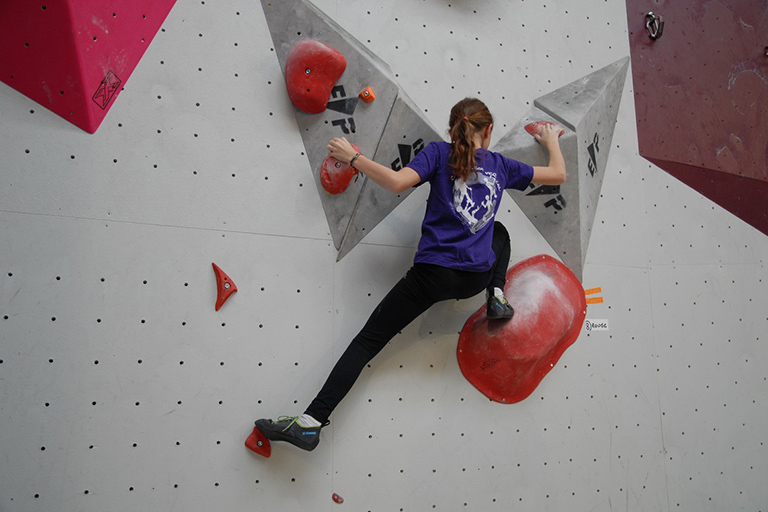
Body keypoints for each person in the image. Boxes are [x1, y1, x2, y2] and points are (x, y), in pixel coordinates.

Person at [252, 98, 566, 452]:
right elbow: (558, 175)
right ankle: (496, 294)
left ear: (452, 130)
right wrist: (550, 137)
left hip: (433, 276)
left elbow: (397, 182)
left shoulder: (437, 153)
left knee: (367, 342)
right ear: (488, 131)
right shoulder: (501, 166)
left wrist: (352, 157)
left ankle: (310, 423)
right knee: (500, 233)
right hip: (475, 277)